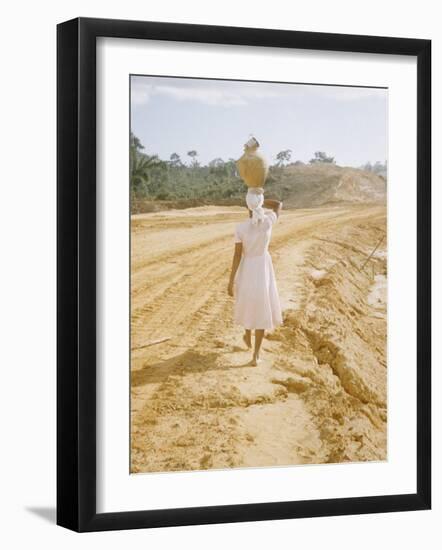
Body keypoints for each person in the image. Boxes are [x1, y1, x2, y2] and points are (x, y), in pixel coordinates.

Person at [227, 189, 283, 365]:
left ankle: (246, 334)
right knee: (261, 306)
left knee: (248, 302)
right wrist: (261, 202)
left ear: (246, 205)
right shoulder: (268, 222)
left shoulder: (241, 228)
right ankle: (256, 356)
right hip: (263, 268)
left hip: (247, 267)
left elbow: (237, 256)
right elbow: (278, 205)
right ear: (260, 203)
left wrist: (231, 280)